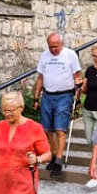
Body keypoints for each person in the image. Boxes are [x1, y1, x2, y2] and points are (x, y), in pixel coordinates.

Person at [32, 32, 81, 178]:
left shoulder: (70, 55)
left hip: (65, 95)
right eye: (50, 47)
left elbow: (77, 77)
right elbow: (40, 78)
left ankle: (58, 161)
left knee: (60, 129)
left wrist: (78, 98)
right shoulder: (44, 56)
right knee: (47, 129)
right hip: (47, 95)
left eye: (55, 46)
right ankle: (53, 155)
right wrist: (36, 98)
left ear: (62, 44)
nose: (53, 49)